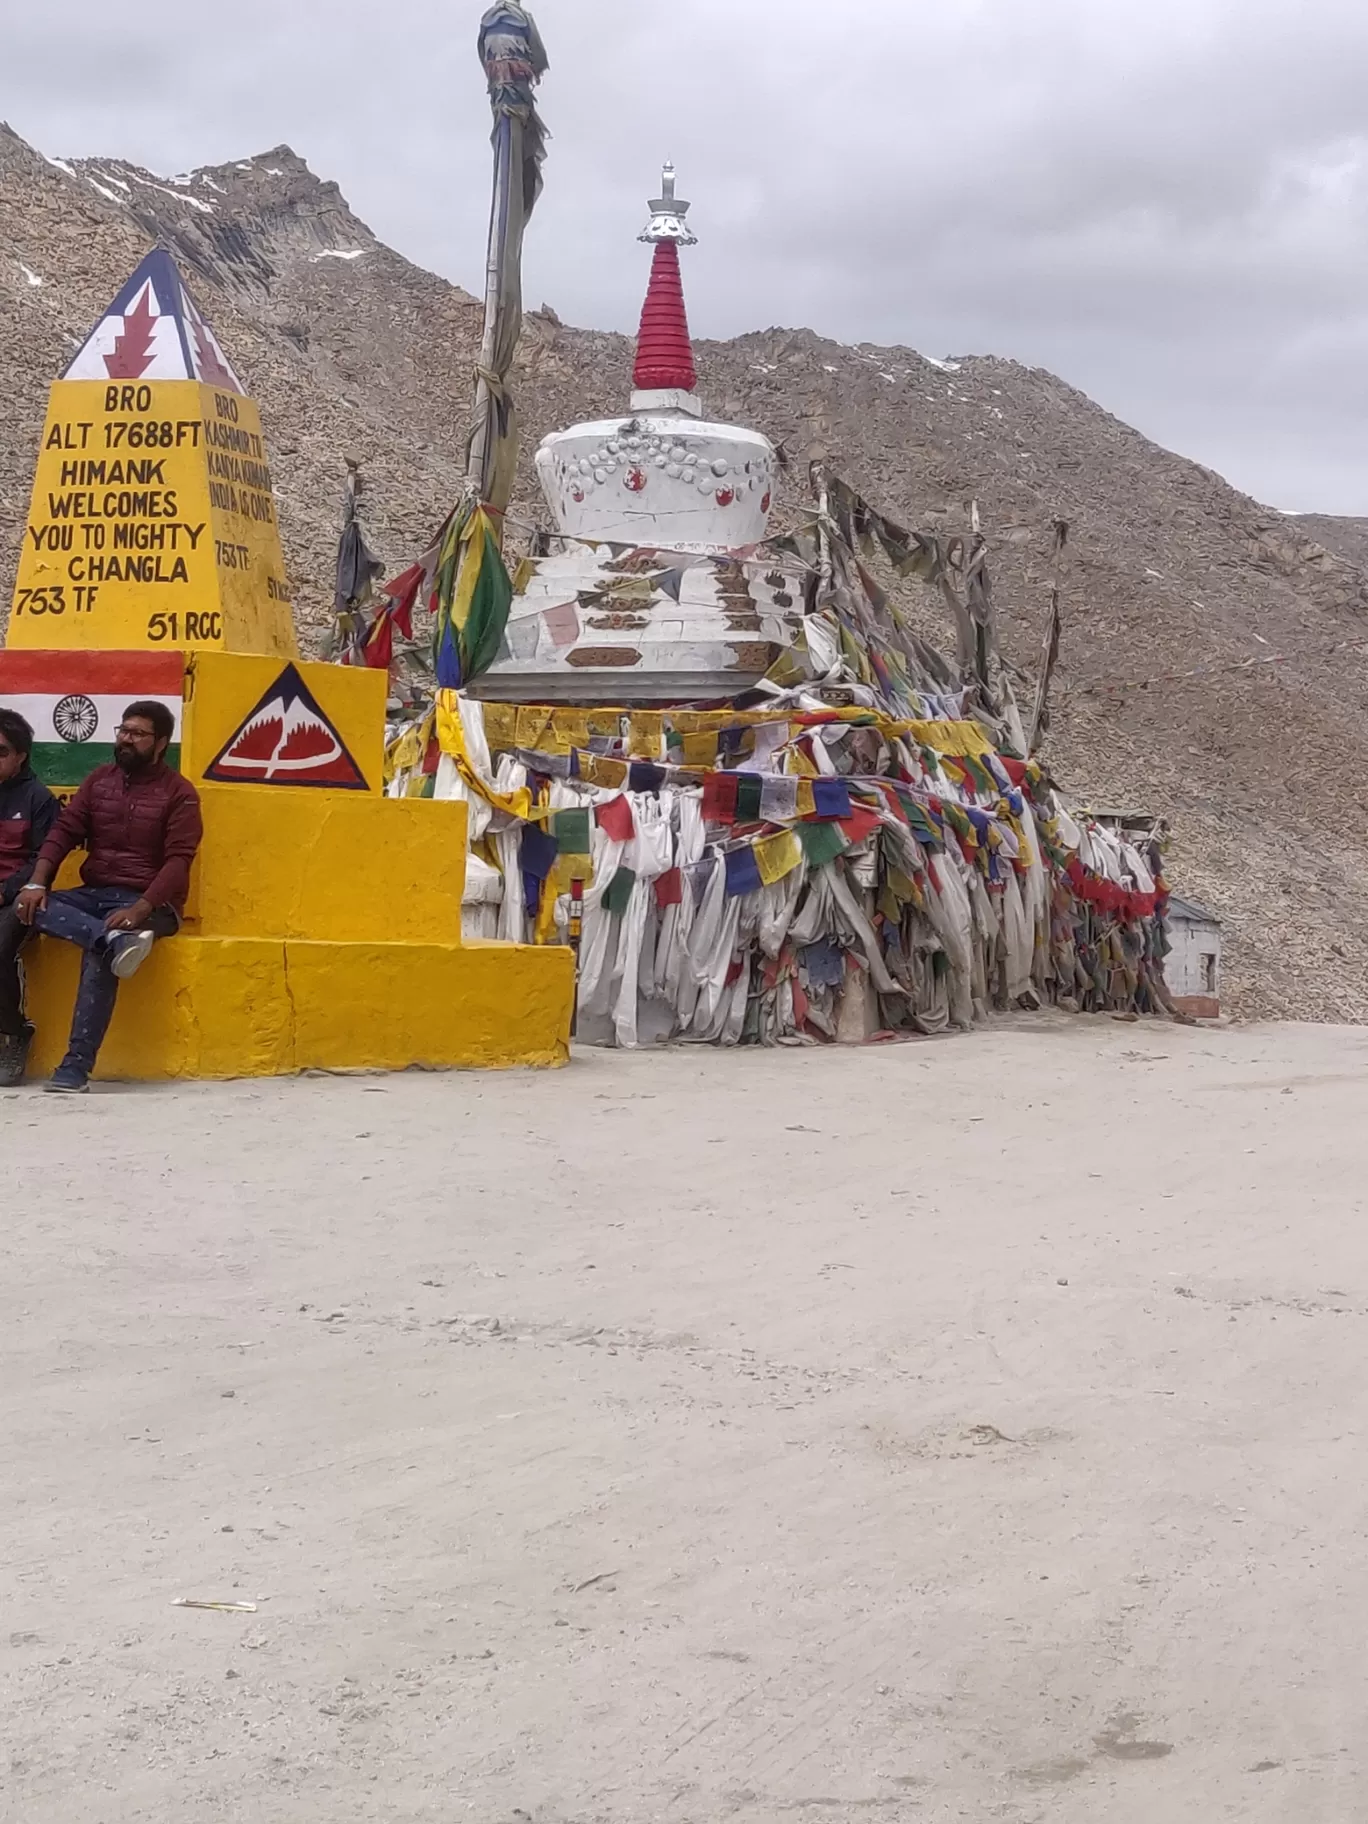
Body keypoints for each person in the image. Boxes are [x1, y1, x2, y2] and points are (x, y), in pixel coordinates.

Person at [0, 700, 202, 1093]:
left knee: (99, 954)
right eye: (123, 731)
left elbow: (179, 861)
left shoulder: (180, 794)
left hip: (152, 902)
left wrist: (139, 908)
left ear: (161, 742)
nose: (127, 740)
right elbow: (63, 834)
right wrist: (36, 882)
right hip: (95, 895)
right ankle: (111, 939)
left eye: (138, 734)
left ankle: (76, 1067)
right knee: (33, 907)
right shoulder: (99, 781)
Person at [0, 710, 60, 1083]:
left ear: (21, 755)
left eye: (1, 752)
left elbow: (44, 860)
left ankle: (14, 1033)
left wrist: (6, 890)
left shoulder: (39, 799)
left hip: (18, 898)